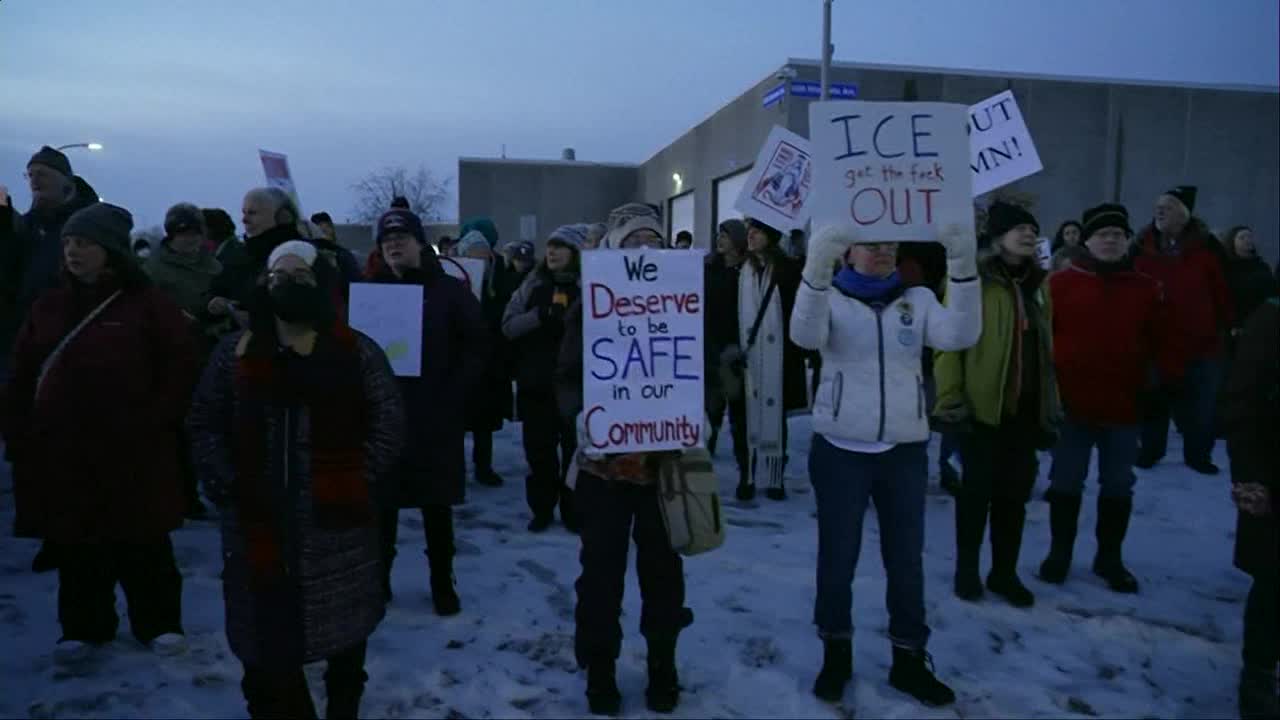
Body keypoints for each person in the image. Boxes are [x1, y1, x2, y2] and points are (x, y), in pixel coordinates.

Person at [187, 239, 404, 719]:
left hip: (337, 529)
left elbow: (388, 423)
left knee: (345, 638)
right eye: (277, 276)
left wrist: (351, 479)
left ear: (321, 285)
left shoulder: (355, 352)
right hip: (256, 525)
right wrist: (227, 482)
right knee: (265, 651)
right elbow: (205, 423)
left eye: (300, 276)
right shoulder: (234, 355)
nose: (287, 286)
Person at [791, 221, 981, 708]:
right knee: (837, 561)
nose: (882, 252)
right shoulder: (829, 297)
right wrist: (816, 263)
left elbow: (960, 333)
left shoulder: (915, 301)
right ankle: (836, 654)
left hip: (902, 450)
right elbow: (804, 336)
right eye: (871, 244)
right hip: (839, 450)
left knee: (906, 561)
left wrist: (962, 263)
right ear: (847, 250)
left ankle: (909, 660)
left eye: (890, 245)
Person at [3, 202, 197, 662]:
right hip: (65, 447)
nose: (73, 251)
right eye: (69, 242)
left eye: (85, 243)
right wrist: (19, 429)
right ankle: (84, 626)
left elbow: (180, 368)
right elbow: (22, 370)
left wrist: (156, 419)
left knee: (143, 537)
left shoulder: (149, 307)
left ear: (111, 251)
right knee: (76, 540)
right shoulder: (48, 306)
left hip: (134, 446)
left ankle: (159, 623)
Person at [554, 203, 694, 715]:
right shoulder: (590, 305)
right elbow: (567, 375)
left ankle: (663, 664)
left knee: (663, 574)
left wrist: (698, 409)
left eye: (652, 241)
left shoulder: (685, 302)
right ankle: (601, 667)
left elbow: (698, 367)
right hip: (603, 467)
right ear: (614, 249)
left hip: (664, 469)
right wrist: (581, 419)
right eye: (633, 240)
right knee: (600, 575)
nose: (643, 249)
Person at [1040, 204, 1183, 596]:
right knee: (1066, 482)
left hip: (1124, 408)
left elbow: (1162, 344)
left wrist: (1157, 394)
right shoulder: (1059, 285)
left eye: (1117, 235)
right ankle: (1059, 554)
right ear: (1086, 241)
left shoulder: (1145, 288)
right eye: (1102, 234)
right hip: (1070, 407)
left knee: (1118, 485)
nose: (1110, 240)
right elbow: (1041, 341)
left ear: (1126, 242)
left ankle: (1109, 558)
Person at [934, 202, 1058, 609]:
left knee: (1014, 497)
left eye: (1032, 228)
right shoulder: (970, 279)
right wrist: (951, 399)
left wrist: (1050, 404)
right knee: (975, 495)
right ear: (998, 235)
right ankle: (967, 570)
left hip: (1025, 410)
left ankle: (1004, 572)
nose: (1028, 234)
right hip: (981, 409)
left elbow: (1045, 348)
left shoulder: (1039, 284)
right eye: (1019, 227)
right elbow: (948, 345)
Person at [369, 210, 489, 615]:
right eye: (387, 241)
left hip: (435, 415)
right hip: (384, 418)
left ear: (420, 242)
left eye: (402, 237)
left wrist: (454, 395)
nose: (394, 245)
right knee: (382, 506)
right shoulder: (370, 293)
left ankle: (442, 580)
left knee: (436, 505)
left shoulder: (449, 292)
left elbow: (477, 346)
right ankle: (378, 580)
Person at [1133, 186, 1233, 474]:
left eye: (1168, 206)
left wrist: (1227, 327)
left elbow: (1224, 293)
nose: (1160, 210)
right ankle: (1150, 450)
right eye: (1158, 206)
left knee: (1200, 408)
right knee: (1153, 402)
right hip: (1155, 344)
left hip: (1201, 345)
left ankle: (1198, 455)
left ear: (1185, 214)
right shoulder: (1142, 245)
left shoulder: (1207, 249)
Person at [1218, 296, 1279, 720]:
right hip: (1274, 473)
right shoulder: (1271, 319)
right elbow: (1241, 401)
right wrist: (1250, 477)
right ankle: (1258, 675)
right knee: (1275, 581)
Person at [145, 203, 225, 520]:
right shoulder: (154, 269)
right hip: (171, 357)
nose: (189, 240)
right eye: (183, 233)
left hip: (208, 352)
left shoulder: (214, 266)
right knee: (177, 431)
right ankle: (183, 495)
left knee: (208, 427)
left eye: (194, 233)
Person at [503, 223, 585, 532]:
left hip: (576, 386)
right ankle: (541, 509)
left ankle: (574, 509)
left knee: (575, 453)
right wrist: (539, 316)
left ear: (575, 253)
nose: (551, 251)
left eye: (560, 246)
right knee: (540, 454)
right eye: (549, 246)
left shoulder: (589, 286)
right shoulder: (532, 284)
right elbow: (508, 326)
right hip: (536, 384)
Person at [736, 217, 808, 501]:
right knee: (746, 417)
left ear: (771, 236)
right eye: (749, 231)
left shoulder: (789, 269)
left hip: (780, 355)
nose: (751, 236)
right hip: (746, 355)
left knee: (775, 415)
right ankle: (748, 475)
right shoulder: (742, 270)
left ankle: (775, 477)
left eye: (757, 232)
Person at [454, 229, 516, 487]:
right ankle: (455, 469)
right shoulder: (454, 281)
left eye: (483, 251)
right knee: (457, 421)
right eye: (473, 252)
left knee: (484, 422)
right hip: (461, 360)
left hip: (490, 362)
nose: (480, 256)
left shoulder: (500, 280)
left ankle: (483, 467)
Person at [206, 187, 311, 327]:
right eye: (244, 213)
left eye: (252, 213)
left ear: (282, 217)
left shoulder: (302, 257)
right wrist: (216, 303)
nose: (244, 220)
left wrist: (253, 314)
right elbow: (217, 290)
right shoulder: (239, 256)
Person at [705, 219, 750, 487]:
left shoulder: (751, 271)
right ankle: (701, 473)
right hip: (712, 351)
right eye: (718, 234)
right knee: (710, 415)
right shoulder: (709, 269)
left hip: (740, 354)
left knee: (741, 419)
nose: (720, 239)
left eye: (726, 234)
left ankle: (746, 474)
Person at [1221, 226, 1279, 339]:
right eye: (1242, 237)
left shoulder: (1262, 265)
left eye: (1249, 236)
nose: (1247, 240)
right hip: (1239, 324)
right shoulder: (1227, 268)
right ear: (1232, 242)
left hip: (1264, 322)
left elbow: (1273, 292)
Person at [309, 211, 361, 283]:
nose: (324, 231)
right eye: (320, 228)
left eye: (328, 227)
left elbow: (355, 282)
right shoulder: (306, 256)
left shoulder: (344, 255)